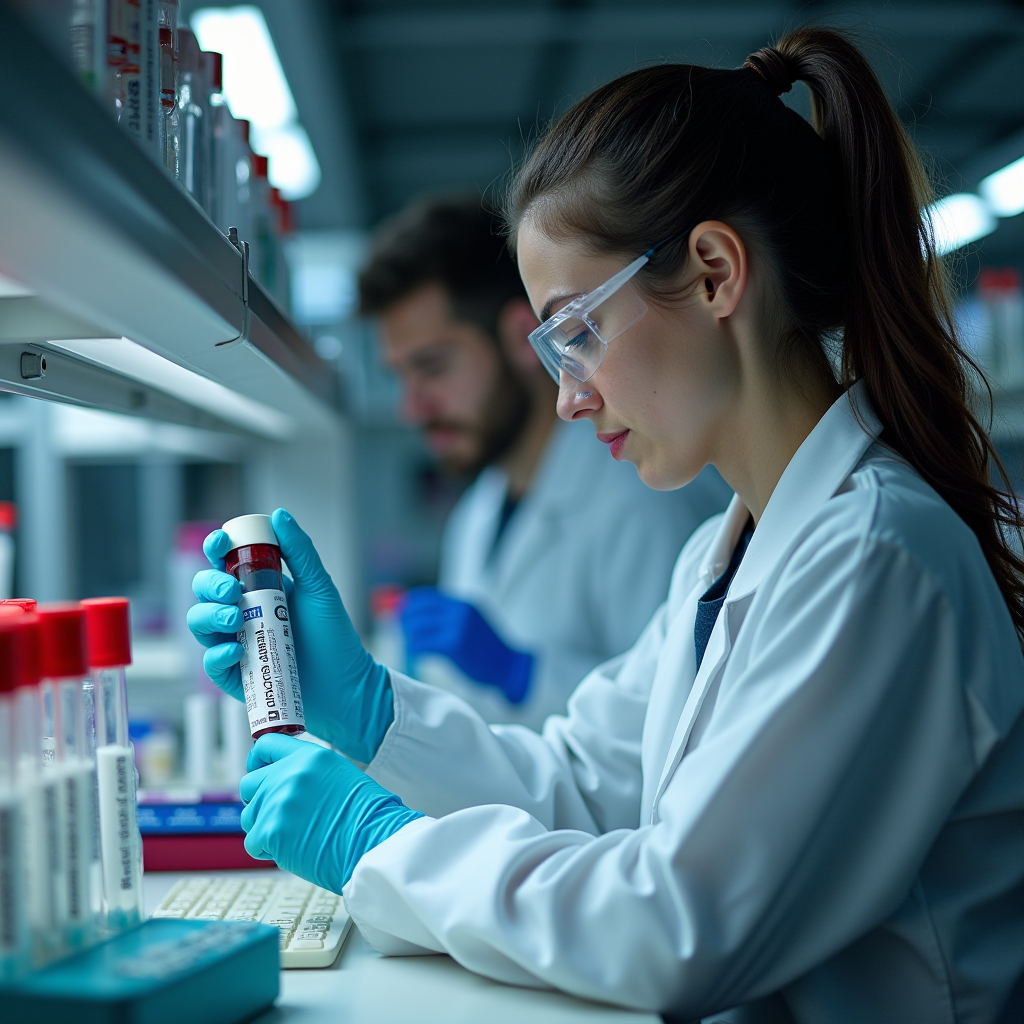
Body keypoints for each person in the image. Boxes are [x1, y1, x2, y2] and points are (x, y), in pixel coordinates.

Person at [188, 28, 1024, 1023]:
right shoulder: (727, 555)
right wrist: (369, 711)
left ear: (715, 273)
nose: (569, 398)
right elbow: (586, 787)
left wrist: (379, 843)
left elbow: (682, 924)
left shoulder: (878, 557)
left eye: (578, 332)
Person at [357, 196, 730, 727]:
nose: (412, 408)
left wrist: (523, 673)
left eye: (433, 368)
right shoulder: (478, 512)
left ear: (516, 339)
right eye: (401, 376)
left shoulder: (645, 495)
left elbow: (678, 718)